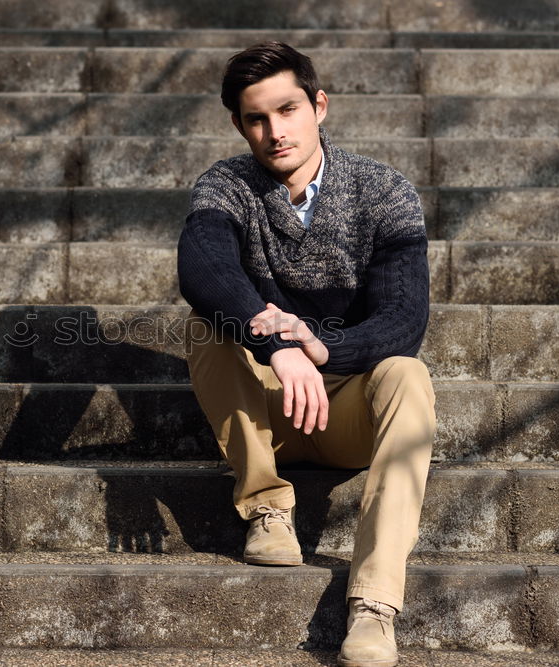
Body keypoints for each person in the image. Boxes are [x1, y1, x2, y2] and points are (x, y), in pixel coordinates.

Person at [177, 42, 437, 667]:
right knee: (203, 329)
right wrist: (277, 348)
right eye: (256, 119)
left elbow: (405, 321)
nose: (275, 131)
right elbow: (202, 269)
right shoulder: (227, 186)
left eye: (288, 110)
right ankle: (267, 507)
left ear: (319, 106)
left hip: (345, 410)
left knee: (408, 374)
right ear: (240, 124)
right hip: (264, 412)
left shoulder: (382, 193)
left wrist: (322, 346)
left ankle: (374, 605)